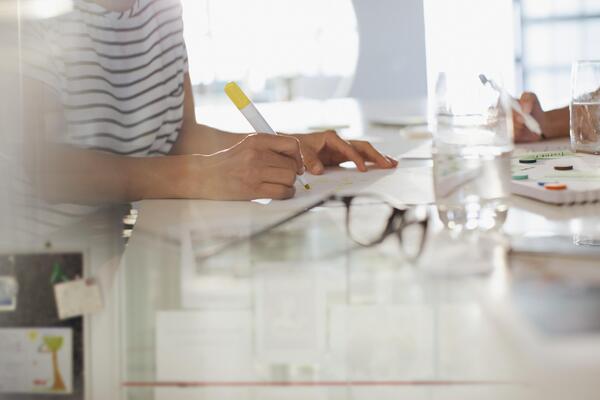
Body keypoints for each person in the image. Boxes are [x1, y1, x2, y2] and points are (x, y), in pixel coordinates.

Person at [21, 0, 396, 204]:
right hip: (51, 272)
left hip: (131, 238)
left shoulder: (163, 8)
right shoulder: (29, 16)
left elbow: (176, 135)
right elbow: (42, 171)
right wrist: (199, 175)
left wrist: (287, 146)